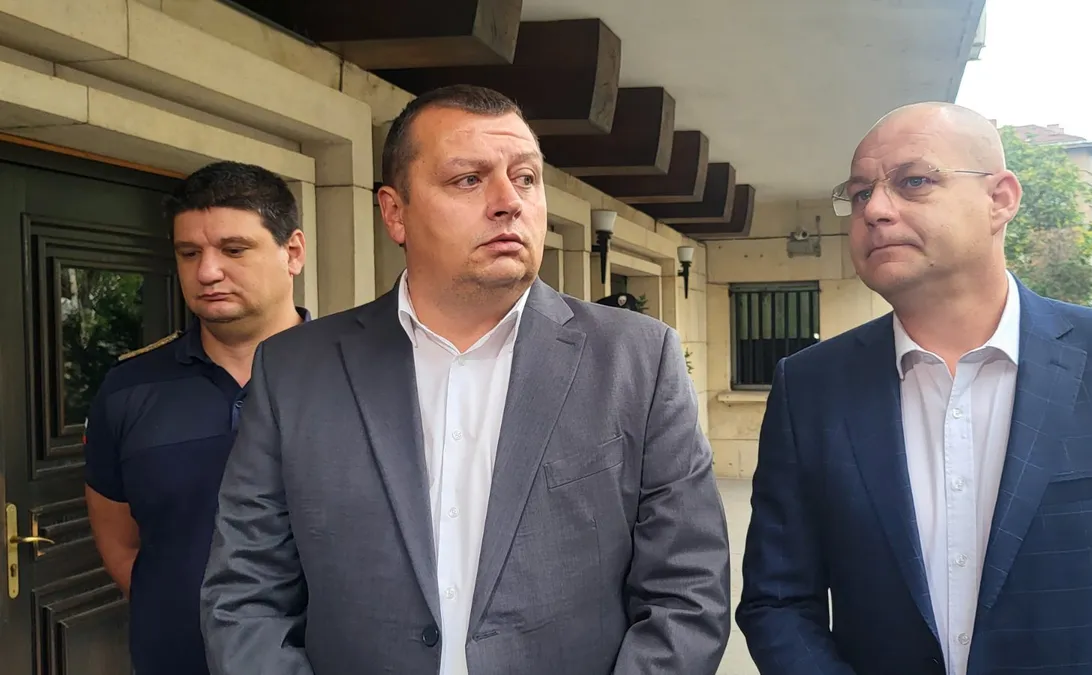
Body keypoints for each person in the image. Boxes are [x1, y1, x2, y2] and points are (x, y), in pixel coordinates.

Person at [199, 84, 731, 675]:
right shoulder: (295, 370)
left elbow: (687, 591)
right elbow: (246, 593)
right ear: (394, 213)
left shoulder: (636, 359)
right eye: (469, 179)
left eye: (526, 177)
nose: (509, 202)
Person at [736, 102, 1092, 674]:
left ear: (1000, 199)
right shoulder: (810, 387)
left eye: (914, 181)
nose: (875, 210)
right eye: (859, 194)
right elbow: (777, 601)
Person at [83, 160, 309, 675]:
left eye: (234, 249)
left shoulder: (355, 375)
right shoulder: (128, 389)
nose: (207, 272)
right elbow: (120, 543)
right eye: (189, 253)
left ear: (293, 252)